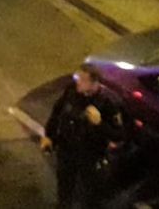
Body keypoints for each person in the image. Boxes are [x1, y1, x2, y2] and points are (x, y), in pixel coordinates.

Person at [42, 64, 130, 208]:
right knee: (64, 185)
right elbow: (57, 112)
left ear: (94, 83)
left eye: (82, 79)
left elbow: (119, 135)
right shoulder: (72, 91)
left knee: (89, 192)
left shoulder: (108, 103)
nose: (78, 81)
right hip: (66, 150)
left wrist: (99, 123)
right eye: (77, 77)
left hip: (89, 156)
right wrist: (48, 136)